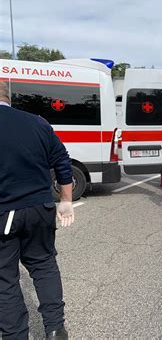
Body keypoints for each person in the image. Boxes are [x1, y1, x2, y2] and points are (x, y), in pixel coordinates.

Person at [0, 81, 74, 339]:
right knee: (44, 265)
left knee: (5, 278)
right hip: (41, 207)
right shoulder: (38, 123)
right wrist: (65, 201)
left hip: (6, 211)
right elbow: (62, 160)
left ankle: (14, 335)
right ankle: (55, 329)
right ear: (9, 98)